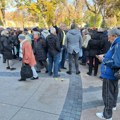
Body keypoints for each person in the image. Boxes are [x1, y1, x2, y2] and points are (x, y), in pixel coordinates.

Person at [96, 28, 120, 120]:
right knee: (112, 92)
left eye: (109, 37)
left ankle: (107, 115)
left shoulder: (118, 44)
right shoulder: (116, 43)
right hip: (112, 74)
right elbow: (114, 56)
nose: (108, 39)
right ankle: (112, 106)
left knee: (107, 94)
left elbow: (116, 62)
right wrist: (105, 55)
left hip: (110, 73)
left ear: (115, 36)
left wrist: (104, 59)